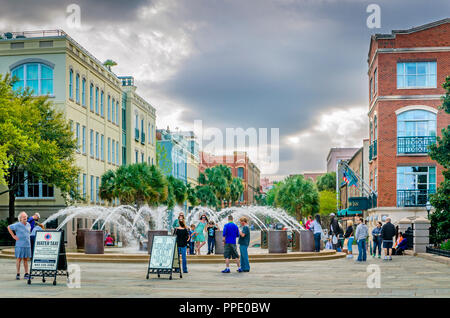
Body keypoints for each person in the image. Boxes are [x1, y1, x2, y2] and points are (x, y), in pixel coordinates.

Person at [7, 211, 32, 280]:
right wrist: (13, 236)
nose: (25, 218)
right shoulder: (17, 225)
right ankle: (18, 274)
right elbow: (8, 227)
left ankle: (26, 274)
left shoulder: (28, 225)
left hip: (27, 245)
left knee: (26, 259)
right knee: (19, 259)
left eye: (25, 216)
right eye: (23, 217)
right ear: (20, 219)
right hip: (20, 245)